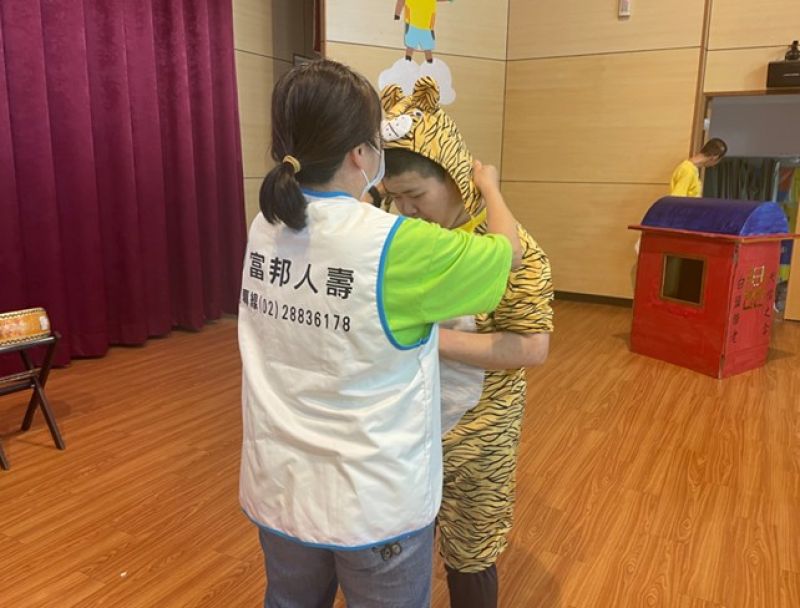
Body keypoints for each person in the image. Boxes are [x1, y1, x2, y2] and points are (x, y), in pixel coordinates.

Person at [238, 60, 524, 608]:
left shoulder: (266, 224)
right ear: (360, 154)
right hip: (371, 502)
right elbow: (507, 253)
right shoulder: (398, 245)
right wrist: (490, 187)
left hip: (280, 485)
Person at [381, 77, 554, 608]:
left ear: (456, 178)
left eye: (415, 196)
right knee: (398, 537)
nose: (404, 210)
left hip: (479, 430)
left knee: (470, 549)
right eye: (394, 197)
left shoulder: (514, 249)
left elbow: (531, 348)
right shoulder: (399, 235)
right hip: (403, 423)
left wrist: (422, 339)